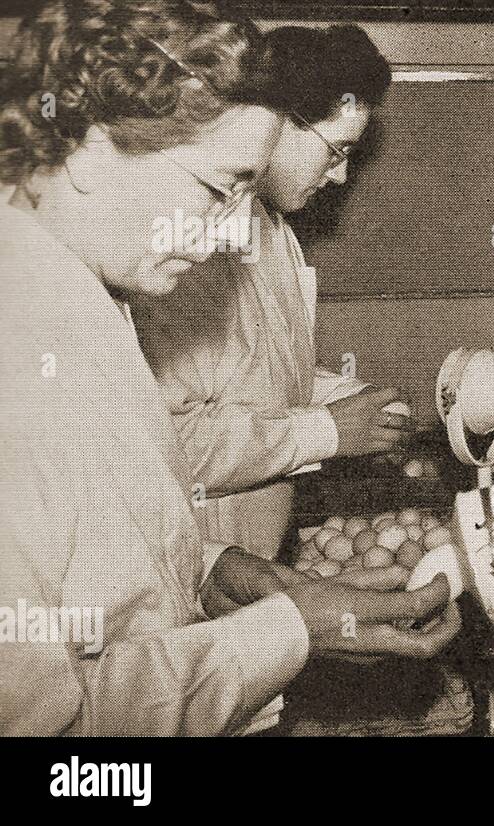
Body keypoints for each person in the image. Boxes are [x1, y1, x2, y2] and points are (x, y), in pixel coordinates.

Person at [0, 0, 458, 736]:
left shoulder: (90, 299)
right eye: (217, 189)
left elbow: (97, 556)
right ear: (88, 151)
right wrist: (286, 633)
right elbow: (51, 739)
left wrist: (211, 570)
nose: (225, 234)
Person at [133, 24, 411, 560]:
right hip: (196, 555)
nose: (339, 176)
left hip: (256, 548)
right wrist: (326, 433)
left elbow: (261, 378)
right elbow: (166, 442)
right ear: (278, 124)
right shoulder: (192, 253)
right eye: (336, 152)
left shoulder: (274, 231)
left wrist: (354, 404)